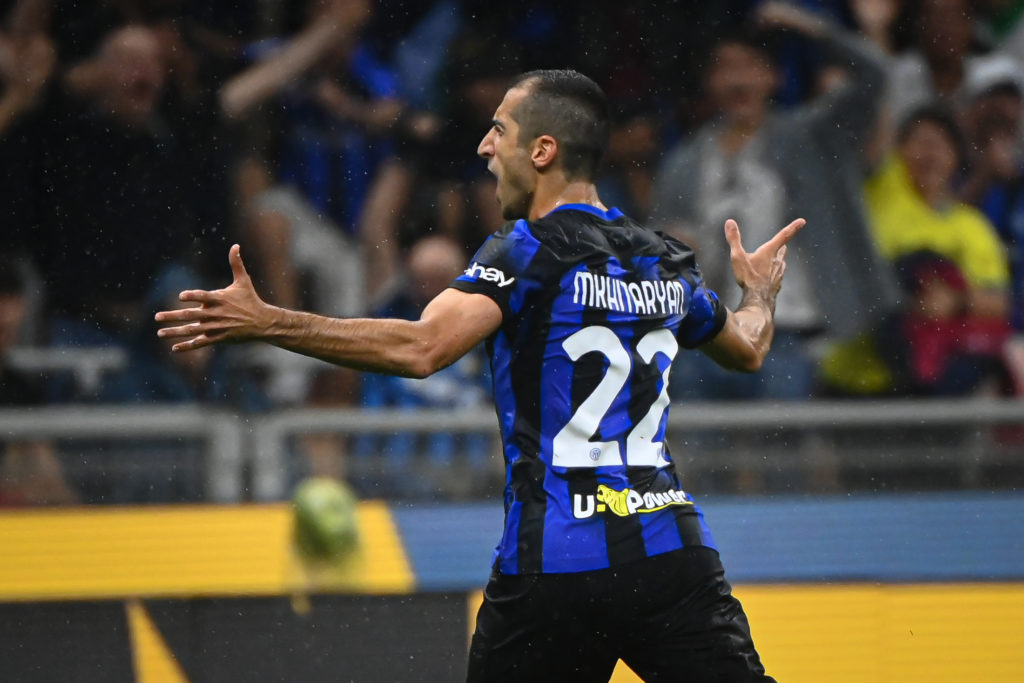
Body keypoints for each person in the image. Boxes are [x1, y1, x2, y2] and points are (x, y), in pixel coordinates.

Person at [156, 69, 803, 682]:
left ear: (543, 150)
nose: (485, 145)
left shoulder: (526, 250)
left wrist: (269, 321)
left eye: (500, 130)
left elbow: (421, 347)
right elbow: (747, 346)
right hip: (669, 553)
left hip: (556, 566)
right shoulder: (663, 262)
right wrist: (759, 293)